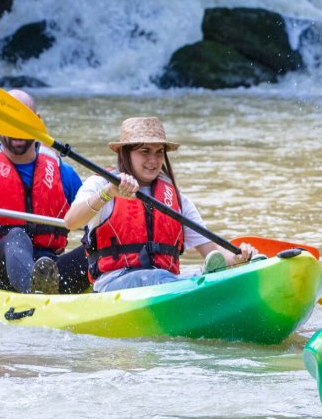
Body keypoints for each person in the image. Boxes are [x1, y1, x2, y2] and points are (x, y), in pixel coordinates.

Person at [62, 116, 257, 291]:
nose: (153, 160)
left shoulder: (176, 199)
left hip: (165, 287)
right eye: (145, 151)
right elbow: (71, 222)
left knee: (163, 277)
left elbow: (212, 252)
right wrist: (108, 193)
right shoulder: (102, 184)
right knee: (156, 277)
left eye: (159, 152)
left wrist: (237, 259)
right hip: (114, 284)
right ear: (125, 153)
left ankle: (201, 281)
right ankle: (200, 281)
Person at [0, 90, 86, 295]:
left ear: (37, 122)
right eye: (9, 120)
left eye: (23, 120)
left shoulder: (64, 174)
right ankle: (35, 293)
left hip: (50, 271)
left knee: (95, 247)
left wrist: (107, 195)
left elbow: (96, 224)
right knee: (16, 236)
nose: (16, 128)